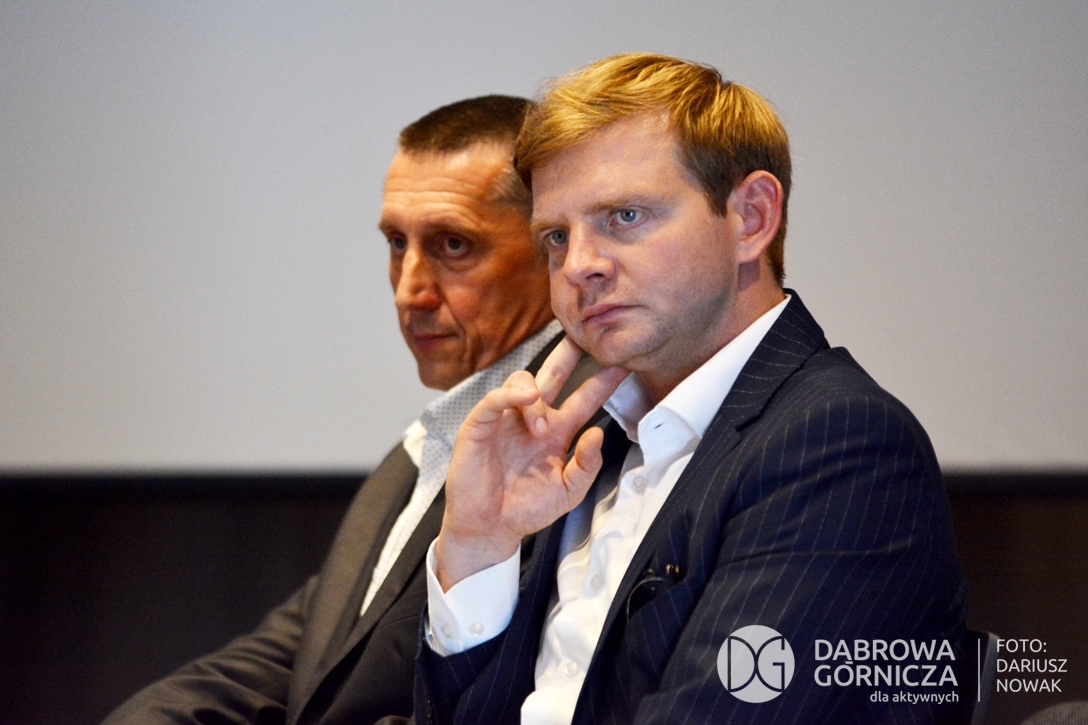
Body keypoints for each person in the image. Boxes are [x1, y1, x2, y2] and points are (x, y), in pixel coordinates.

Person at [415, 54, 968, 724]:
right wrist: (481, 544)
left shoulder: (843, 445)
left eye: (624, 215)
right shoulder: (573, 449)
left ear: (751, 218)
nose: (579, 265)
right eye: (557, 236)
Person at [102, 95, 597, 725]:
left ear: (552, 249)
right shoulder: (424, 446)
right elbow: (305, 656)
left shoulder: (575, 445)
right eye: (396, 243)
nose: (410, 291)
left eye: (453, 245)